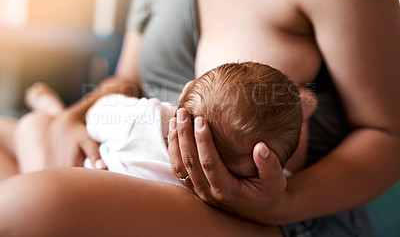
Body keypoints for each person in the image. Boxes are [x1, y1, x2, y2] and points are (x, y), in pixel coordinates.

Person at [0, 0, 399, 236]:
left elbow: (386, 133)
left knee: (27, 206)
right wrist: (70, 119)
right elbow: (129, 81)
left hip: (277, 214)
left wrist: (284, 203)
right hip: (138, 165)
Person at [19, 62, 315, 186]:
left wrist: (64, 118)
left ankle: (53, 109)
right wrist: (297, 110)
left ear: (186, 92)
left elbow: (96, 115)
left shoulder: (143, 119)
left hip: (78, 174)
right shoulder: (252, 182)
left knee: (34, 126)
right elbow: (291, 162)